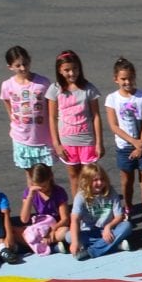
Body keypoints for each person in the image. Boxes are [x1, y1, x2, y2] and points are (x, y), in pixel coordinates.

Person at [46, 50, 104, 185]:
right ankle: (77, 200)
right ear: (60, 70)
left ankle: (90, 199)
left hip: (87, 140)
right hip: (67, 141)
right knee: (74, 176)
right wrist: (57, 144)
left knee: (90, 176)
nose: (72, 73)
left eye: (75, 69)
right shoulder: (55, 89)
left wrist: (99, 143)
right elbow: (52, 118)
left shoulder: (88, 89)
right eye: (67, 70)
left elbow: (96, 116)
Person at [105, 57, 142, 210]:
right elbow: (114, 126)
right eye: (123, 79)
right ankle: (128, 207)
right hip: (124, 146)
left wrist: (140, 145)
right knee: (127, 180)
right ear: (116, 79)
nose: (127, 82)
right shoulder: (112, 99)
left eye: (130, 78)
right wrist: (133, 142)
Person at [0, 46, 54, 173]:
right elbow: (7, 101)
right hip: (22, 137)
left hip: (42, 136)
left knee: (46, 173)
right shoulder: (7, 85)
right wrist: (13, 117)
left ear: (29, 60)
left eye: (25, 64)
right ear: (10, 67)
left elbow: (50, 106)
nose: (23, 68)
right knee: (30, 173)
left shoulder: (43, 83)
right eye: (18, 65)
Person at [20, 164, 70, 255]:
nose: (42, 189)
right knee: (13, 231)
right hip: (40, 227)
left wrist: (52, 230)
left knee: (65, 231)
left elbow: (65, 219)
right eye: (38, 187)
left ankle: (40, 246)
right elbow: (24, 219)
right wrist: (30, 196)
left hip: (56, 227)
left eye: (45, 186)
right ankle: (51, 246)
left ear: (50, 178)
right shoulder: (29, 192)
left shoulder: (59, 191)